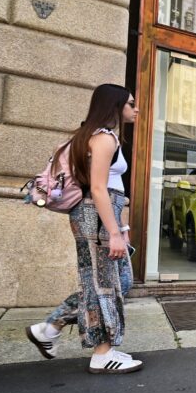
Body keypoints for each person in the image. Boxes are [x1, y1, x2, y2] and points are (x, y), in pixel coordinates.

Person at [25, 84, 144, 374]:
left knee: (121, 280)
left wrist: (122, 226)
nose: (136, 108)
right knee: (101, 283)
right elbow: (99, 189)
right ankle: (102, 353)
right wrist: (113, 232)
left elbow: (111, 189)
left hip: (100, 214)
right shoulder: (104, 139)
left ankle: (49, 328)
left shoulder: (93, 136)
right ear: (115, 106)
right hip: (95, 215)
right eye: (130, 103)